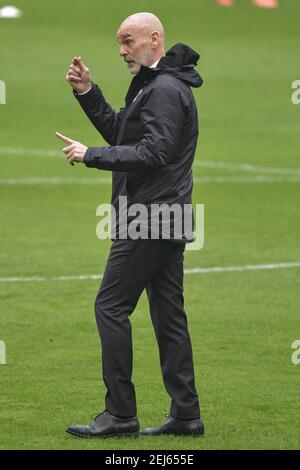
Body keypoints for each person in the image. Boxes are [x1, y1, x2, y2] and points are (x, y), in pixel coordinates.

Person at [56, 11, 204, 438]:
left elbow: (154, 153)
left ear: (153, 39)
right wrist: (88, 93)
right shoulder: (156, 85)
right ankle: (186, 414)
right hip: (163, 215)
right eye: (120, 43)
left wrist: (91, 155)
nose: (122, 50)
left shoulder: (163, 89)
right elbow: (124, 133)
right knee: (168, 315)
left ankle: (120, 413)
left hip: (150, 217)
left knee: (110, 306)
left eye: (128, 41)